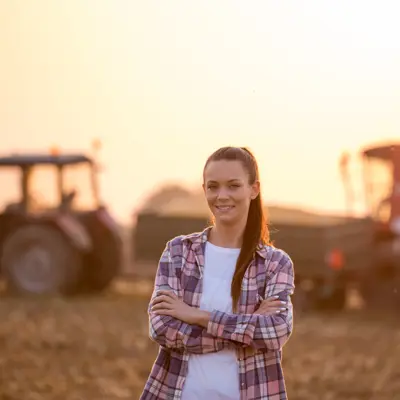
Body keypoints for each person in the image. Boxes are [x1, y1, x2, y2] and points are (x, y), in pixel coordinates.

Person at [140, 146, 295, 400]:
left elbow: (275, 331)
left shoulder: (274, 264)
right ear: (204, 190)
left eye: (233, 186)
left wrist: (196, 315)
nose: (222, 195)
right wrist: (245, 333)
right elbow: (161, 327)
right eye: (213, 187)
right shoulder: (179, 252)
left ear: (254, 189)